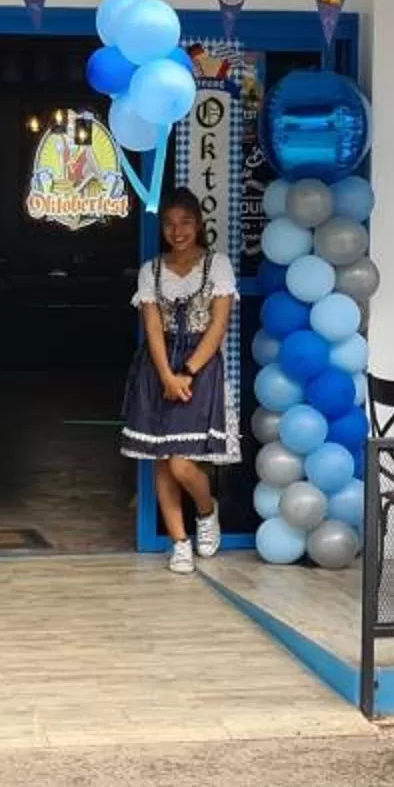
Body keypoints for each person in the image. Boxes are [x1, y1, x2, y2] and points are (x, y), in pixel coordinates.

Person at [121, 194, 238, 574]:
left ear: (199, 223)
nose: (178, 231)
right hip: (158, 366)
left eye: (185, 222)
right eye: (170, 223)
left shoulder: (217, 266)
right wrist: (166, 375)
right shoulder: (150, 270)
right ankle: (179, 542)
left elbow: (218, 325)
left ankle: (207, 511)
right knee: (161, 457)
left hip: (200, 365)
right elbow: (153, 328)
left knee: (182, 462)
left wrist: (186, 372)